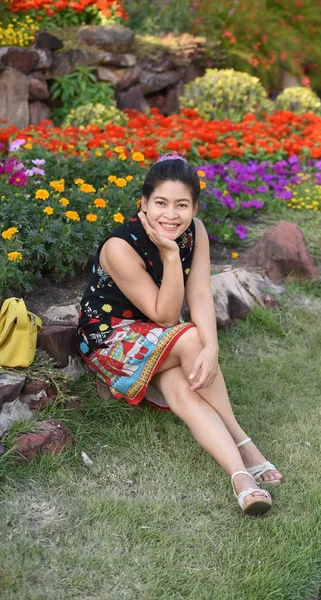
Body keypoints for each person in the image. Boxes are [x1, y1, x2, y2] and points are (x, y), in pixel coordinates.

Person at [77, 153, 282, 516]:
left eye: (181, 205)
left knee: (182, 391)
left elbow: (200, 292)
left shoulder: (196, 230)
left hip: (158, 335)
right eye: (160, 203)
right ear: (143, 203)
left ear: (195, 207)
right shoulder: (119, 246)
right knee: (188, 337)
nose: (170, 214)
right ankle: (244, 443)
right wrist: (171, 257)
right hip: (113, 337)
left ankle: (240, 478)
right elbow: (166, 313)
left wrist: (213, 347)